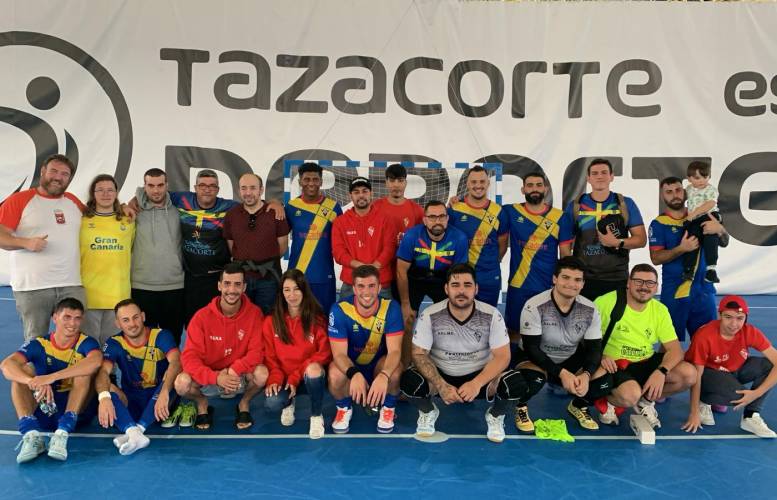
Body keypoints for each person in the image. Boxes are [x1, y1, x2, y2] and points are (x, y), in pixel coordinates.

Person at [401, 263, 537, 442]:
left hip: (480, 376)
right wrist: (441, 385)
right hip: (441, 375)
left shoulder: (491, 315)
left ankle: (495, 416)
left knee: (516, 384)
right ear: (446, 289)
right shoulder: (430, 314)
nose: (461, 291)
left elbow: (503, 356)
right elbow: (419, 354)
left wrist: (476, 383)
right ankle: (428, 411)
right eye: (455, 285)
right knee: (409, 381)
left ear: (476, 289)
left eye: (467, 285)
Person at [592, 264, 696, 429]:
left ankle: (645, 401)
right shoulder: (605, 303)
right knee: (629, 395)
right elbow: (584, 339)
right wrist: (602, 357)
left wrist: (661, 372)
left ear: (656, 287)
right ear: (628, 282)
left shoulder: (660, 310)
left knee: (689, 374)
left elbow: (675, 350)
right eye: (638, 281)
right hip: (615, 365)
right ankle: (610, 401)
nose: (644, 287)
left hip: (645, 361)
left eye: (650, 283)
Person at [0, 298, 101, 463]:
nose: (72, 323)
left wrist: (50, 378)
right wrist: (33, 381)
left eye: (77, 318)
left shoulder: (86, 342)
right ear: (55, 318)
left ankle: (62, 433)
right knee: (23, 373)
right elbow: (6, 365)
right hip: (45, 408)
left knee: (84, 371)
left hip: (77, 413)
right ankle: (31, 435)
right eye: (67, 317)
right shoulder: (40, 343)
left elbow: (95, 362)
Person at [0, 154, 88, 340]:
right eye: (53, 171)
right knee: (36, 341)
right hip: (33, 286)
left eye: (64, 174)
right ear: (42, 171)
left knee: (75, 340)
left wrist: (127, 207)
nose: (58, 177)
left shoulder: (73, 201)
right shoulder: (19, 200)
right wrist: (25, 243)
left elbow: (103, 217)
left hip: (71, 284)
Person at [519, 257, 610, 431]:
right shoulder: (534, 305)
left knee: (604, 379)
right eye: (565, 277)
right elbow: (531, 348)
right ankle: (520, 406)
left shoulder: (590, 309)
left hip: (570, 357)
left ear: (583, 284)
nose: (571, 284)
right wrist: (562, 373)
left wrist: (586, 375)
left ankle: (578, 405)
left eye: (577, 280)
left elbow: (594, 348)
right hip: (536, 358)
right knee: (532, 381)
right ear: (555, 279)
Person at [175, 263, 267, 430]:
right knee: (181, 383)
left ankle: (244, 403)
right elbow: (189, 358)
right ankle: (202, 403)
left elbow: (257, 353)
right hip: (210, 378)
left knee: (262, 374)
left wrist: (234, 370)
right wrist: (216, 378)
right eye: (227, 284)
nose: (232, 290)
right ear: (219, 286)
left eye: (237, 284)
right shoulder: (201, 317)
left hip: (238, 377)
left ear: (244, 287)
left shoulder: (255, 314)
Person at [95, 299, 181, 455]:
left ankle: (134, 431)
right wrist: (104, 397)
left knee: (174, 376)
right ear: (118, 324)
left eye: (135, 317)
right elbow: (103, 372)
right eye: (125, 320)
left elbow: (176, 362)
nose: (132, 324)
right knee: (105, 386)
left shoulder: (161, 335)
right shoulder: (114, 343)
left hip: (161, 401)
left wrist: (164, 391)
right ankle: (134, 432)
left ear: (143, 316)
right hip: (132, 401)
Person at [682, 296, 777, 438]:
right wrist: (694, 412)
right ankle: (704, 400)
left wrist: (757, 393)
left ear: (745, 318)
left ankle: (750, 416)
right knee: (739, 397)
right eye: (728, 317)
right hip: (708, 373)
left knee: (768, 366)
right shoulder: (705, 335)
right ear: (720, 315)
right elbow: (697, 375)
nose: (734, 324)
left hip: (733, 370)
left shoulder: (749, 331)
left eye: (739, 318)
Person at [649, 176, 728, 341]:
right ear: (662, 196)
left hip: (704, 291)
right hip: (675, 292)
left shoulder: (704, 214)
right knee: (670, 344)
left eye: (678, 190)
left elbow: (724, 242)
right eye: (669, 192)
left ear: (685, 192)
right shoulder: (658, 224)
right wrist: (681, 249)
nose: (674, 195)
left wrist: (720, 229)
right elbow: (655, 258)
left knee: (707, 343)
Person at [327, 265, 403, 434]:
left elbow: (395, 352)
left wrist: (384, 375)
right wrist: (354, 373)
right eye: (361, 286)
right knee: (334, 373)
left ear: (379, 287)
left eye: (371, 286)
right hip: (351, 366)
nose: (366, 292)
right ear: (354, 288)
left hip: (378, 367)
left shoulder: (391, 308)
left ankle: (388, 408)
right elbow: (339, 354)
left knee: (396, 370)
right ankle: (344, 408)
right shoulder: (339, 310)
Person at [560, 159, 647, 301]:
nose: (599, 176)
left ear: (612, 176)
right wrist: (571, 276)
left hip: (617, 278)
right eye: (594, 173)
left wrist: (617, 242)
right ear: (588, 178)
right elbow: (564, 247)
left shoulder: (625, 203)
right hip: (583, 279)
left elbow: (641, 240)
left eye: (604, 172)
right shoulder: (575, 205)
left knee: (614, 316)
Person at [263, 269, 332, 439]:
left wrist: (296, 376)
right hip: (285, 379)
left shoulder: (317, 319)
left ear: (304, 290)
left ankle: (316, 415)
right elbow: (270, 357)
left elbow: (324, 353)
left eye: (296, 289)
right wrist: (276, 379)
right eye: (287, 290)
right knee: (272, 402)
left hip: (309, 378)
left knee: (314, 369)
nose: (292, 295)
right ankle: (288, 402)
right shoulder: (271, 321)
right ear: (281, 293)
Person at [503, 171, 571, 343]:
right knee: (514, 331)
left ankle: (540, 361)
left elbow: (565, 255)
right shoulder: (510, 211)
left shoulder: (561, 217)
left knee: (546, 332)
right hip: (518, 284)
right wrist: (456, 201)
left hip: (547, 286)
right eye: (530, 185)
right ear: (523, 189)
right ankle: (513, 360)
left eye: (539, 185)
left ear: (546, 189)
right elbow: (483, 209)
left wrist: (565, 284)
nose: (535, 189)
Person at [169, 169, 239, 325]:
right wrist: (134, 202)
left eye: (212, 186)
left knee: (216, 324)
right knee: (192, 323)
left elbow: (254, 205)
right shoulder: (182, 199)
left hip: (216, 278)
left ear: (218, 189)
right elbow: (155, 193)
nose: (207, 189)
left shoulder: (229, 206)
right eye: (202, 185)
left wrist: (275, 203)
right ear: (195, 187)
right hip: (190, 277)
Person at [130, 168, 186, 345]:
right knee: (144, 342)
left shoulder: (179, 210)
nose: (156, 190)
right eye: (151, 185)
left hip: (174, 286)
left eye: (160, 185)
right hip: (142, 286)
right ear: (144, 186)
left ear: (167, 185)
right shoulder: (133, 211)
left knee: (172, 340)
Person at [80, 174, 135, 345]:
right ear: (93, 193)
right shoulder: (81, 220)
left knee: (112, 349)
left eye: (110, 190)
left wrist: (125, 206)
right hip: (88, 296)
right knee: (88, 348)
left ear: (116, 193)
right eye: (100, 190)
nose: (105, 194)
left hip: (118, 297)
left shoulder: (129, 220)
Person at [223, 173, 290, 314]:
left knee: (267, 317)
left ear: (261, 190)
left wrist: (262, 260)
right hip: (241, 278)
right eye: (244, 188)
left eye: (253, 188)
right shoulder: (232, 215)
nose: (248, 193)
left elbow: (283, 247)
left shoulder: (276, 213)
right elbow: (231, 246)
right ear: (239, 190)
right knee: (241, 316)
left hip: (269, 278)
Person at [396, 200, 469, 325]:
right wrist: (405, 303)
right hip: (416, 278)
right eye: (432, 217)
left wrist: (456, 304)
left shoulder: (460, 238)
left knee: (447, 321)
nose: (437, 221)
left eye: (442, 216)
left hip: (443, 279)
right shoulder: (411, 236)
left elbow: (459, 275)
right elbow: (401, 271)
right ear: (424, 220)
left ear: (447, 219)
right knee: (408, 319)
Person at [285, 162, 342, 314]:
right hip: (297, 276)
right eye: (307, 179)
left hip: (324, 276)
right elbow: (278, 235)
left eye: (315, 179)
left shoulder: (334, 207)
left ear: (321, 182)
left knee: (323, 319)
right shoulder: (291, 207)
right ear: (300, 182)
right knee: (296, 319)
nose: (311, 183)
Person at [448, 166, 509, 306]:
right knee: (460, 316)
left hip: (489, 277)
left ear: (488, 183)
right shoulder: (454, 208)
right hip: (461, 276)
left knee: (488, 316)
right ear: (467, 184)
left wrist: (490, 262)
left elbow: (503, 246)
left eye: (482, 182)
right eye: (474, 182)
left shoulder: (499, 212)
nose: (478, 186)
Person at [331, 177, 396, 299]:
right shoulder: (340, 222)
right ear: (350, 195)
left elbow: (390, 248)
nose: (361, 195)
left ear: (371, 193)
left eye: (364, 191)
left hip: (381, 283)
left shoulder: (385, 219)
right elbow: (338, 252)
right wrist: (360, 266)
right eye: (356, 192)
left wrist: (374, 267)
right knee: (344, 312)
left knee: (386, 312)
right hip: (351, 283)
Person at [372, 163, 424, 246]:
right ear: (386, 183)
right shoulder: (374, 207)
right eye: (392, 180)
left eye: (400, 180)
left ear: (406, 183)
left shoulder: (417, 210)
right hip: (381, 255)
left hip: (407, 254)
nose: (396, 185)